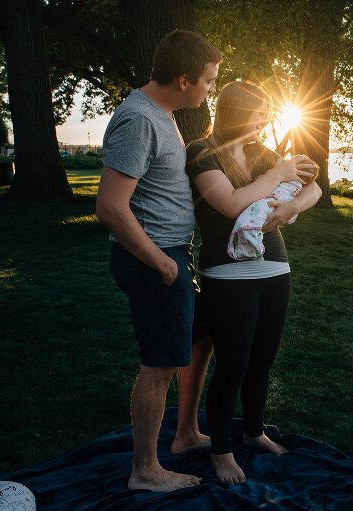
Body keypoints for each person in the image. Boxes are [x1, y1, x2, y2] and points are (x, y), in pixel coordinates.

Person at [95, 29, 221, 492]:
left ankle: (185, 434)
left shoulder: (162, 114)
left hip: (171, 254)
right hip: (154, 258)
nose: (211, 89)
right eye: (208, 81)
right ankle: (145, 471)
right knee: (159, 365)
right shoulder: (139, 120)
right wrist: (161, 262)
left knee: (198, 338)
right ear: (184, 79)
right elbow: (110, 207)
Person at [185, 81, 322, 484]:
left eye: (267, 112)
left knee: (262, 361)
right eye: (258, 111)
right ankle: (222, 452)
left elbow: (313, 185)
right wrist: (278, 173)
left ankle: (254, 432)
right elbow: (228, 203)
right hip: (226, 273)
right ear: (237, 112)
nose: (265, 119)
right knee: (234, 364)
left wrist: (293, 204)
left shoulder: (265, 154)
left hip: (275, 269)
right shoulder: (201, 152)